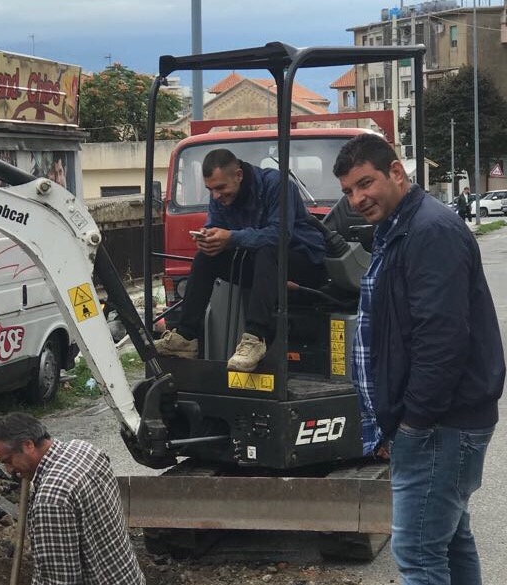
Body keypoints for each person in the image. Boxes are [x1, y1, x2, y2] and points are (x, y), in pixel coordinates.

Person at [332, 133, 504, 585]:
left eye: (365, 183)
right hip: (438, 421)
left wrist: (412, 422)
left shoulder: (430, 230)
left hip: (439, 424)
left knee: (417, 552)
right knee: (450, 539)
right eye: (349, 191)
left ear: (396, 172)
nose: (358, 198)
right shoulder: (399, 227)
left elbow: (441, 339)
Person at [155, 148, 326, 371]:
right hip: (261, 264)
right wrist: (209, 237)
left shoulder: (277, 185)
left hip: (303, 260)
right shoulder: (220, 194)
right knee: (205, 258)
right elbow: (217, 225)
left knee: (269, 249)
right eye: (211, 189)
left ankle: (255, 338)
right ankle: (186, 337)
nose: (216, 195)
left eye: (220, 188)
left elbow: (280, 236)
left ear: (239, 175)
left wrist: (231, 237)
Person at [0, 413, 145, 585]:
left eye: (9, 461)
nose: (8, 470)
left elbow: (59, 580)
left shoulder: (51, 500)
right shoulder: (85, 450)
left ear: (28, 445)